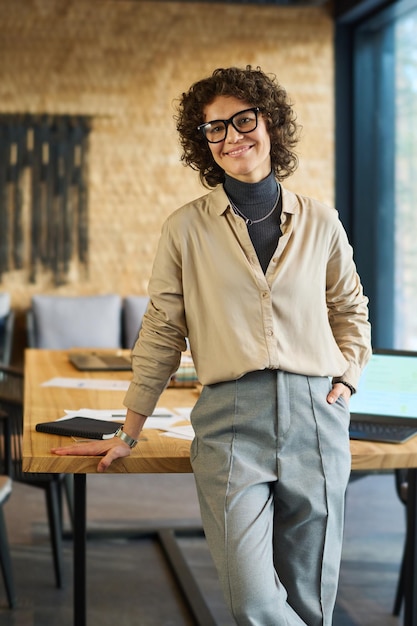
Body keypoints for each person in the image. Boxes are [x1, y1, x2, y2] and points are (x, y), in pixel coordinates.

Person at [53, 66, 372, 626]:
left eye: (242, 120)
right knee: (251, 601)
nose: (231, 137)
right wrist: (130, 429)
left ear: (269, 124)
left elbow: (350, 310)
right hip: (229, 420)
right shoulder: (185, 229)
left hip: (317, 417)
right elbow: (161, 330)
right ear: (203, 144)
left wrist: (346, 381)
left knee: (311, 598)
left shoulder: (322, 221)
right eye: (214, 128)